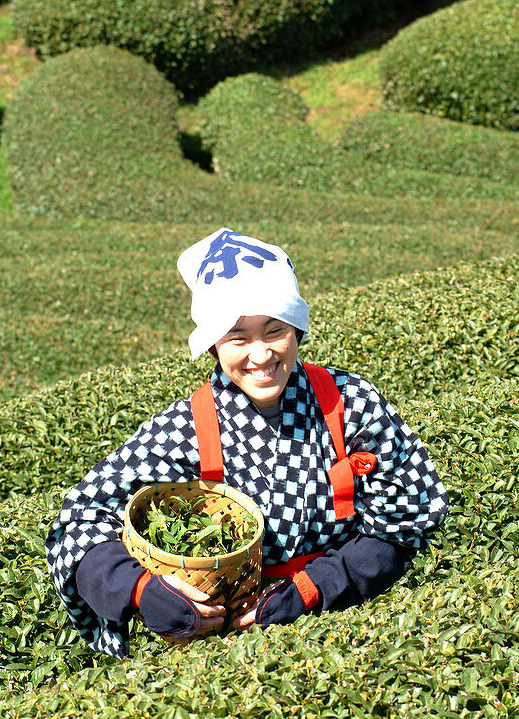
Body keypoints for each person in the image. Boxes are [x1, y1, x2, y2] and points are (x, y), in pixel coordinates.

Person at [46, 228, 449, 657]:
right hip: (218, 645)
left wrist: (311, 590)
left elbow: (407, 523)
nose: (260, 356)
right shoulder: (188, 427)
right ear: (214, 347)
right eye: (238, 337)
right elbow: (78, 523)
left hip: (347, 623)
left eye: (275, 331)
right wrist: (141, 591)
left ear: (297, 330)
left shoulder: (351, 403)